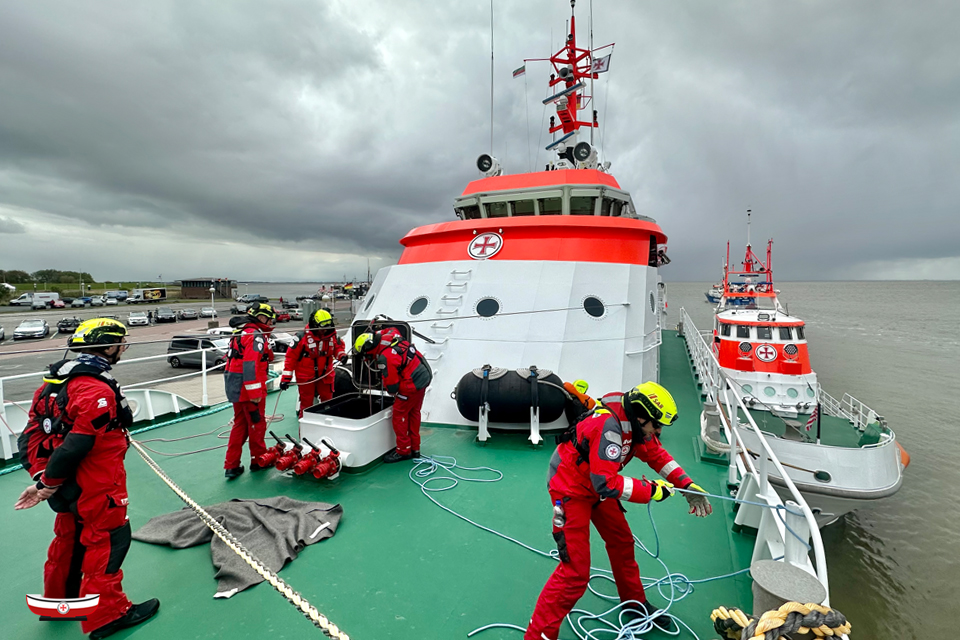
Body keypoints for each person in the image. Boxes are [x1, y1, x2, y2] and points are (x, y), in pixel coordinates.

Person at [524, 382, 713, 640]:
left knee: (622, 542)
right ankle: (537, 636)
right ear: (640, 416)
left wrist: (686, 484)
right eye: (655, 425)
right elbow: (606, 483)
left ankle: (635, 604)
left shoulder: (634, 427)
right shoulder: (609, 429)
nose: (657, 431)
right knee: (575, 574)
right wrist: (652, 491)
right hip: (570, 490)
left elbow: (656, 455)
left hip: (596, 488)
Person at [14, 318, 160, 639]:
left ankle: (58, 603)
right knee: (108, 541)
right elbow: (78, 443)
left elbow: (29, 436)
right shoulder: (95, 388)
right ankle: (107, 615)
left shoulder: (51, 384)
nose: (123, 348)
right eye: (121, 343)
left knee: (68, 539)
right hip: (95, 486)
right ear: (108, 346)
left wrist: (42, 476)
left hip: (64, 487)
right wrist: (45, 485)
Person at [354, 329, 432, 462]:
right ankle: (415, 447)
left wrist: (389, 388)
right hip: (423, 376)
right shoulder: (391, 335)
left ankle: (403, 450)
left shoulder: (385, 358)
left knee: (399, 415)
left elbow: (392, 386)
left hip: (411, 384)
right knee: (414, 412)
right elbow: (393, 329)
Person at [223, 302, 276, 479]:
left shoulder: (240, 332)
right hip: (249, 391)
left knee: (239, 425)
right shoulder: (255, 336)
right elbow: (251, 365)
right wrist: (254, 395)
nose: (270, 322)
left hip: (235, 387)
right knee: (256, 425)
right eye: (268, 319)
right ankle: (258, 460)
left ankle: (231, 466)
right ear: (261, 317)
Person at [279, 309, 346, 417]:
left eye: (326, 328)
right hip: (306, 377)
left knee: (328, 404)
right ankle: (306, 430)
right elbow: (290, 358)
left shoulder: (332, 336)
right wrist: (286, 379)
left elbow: (338, 348)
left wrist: (342, 356)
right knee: (306, 406)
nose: (324, 331)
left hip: (326, 375)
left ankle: (328, 426)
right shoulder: (301, 337)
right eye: (321, 328)